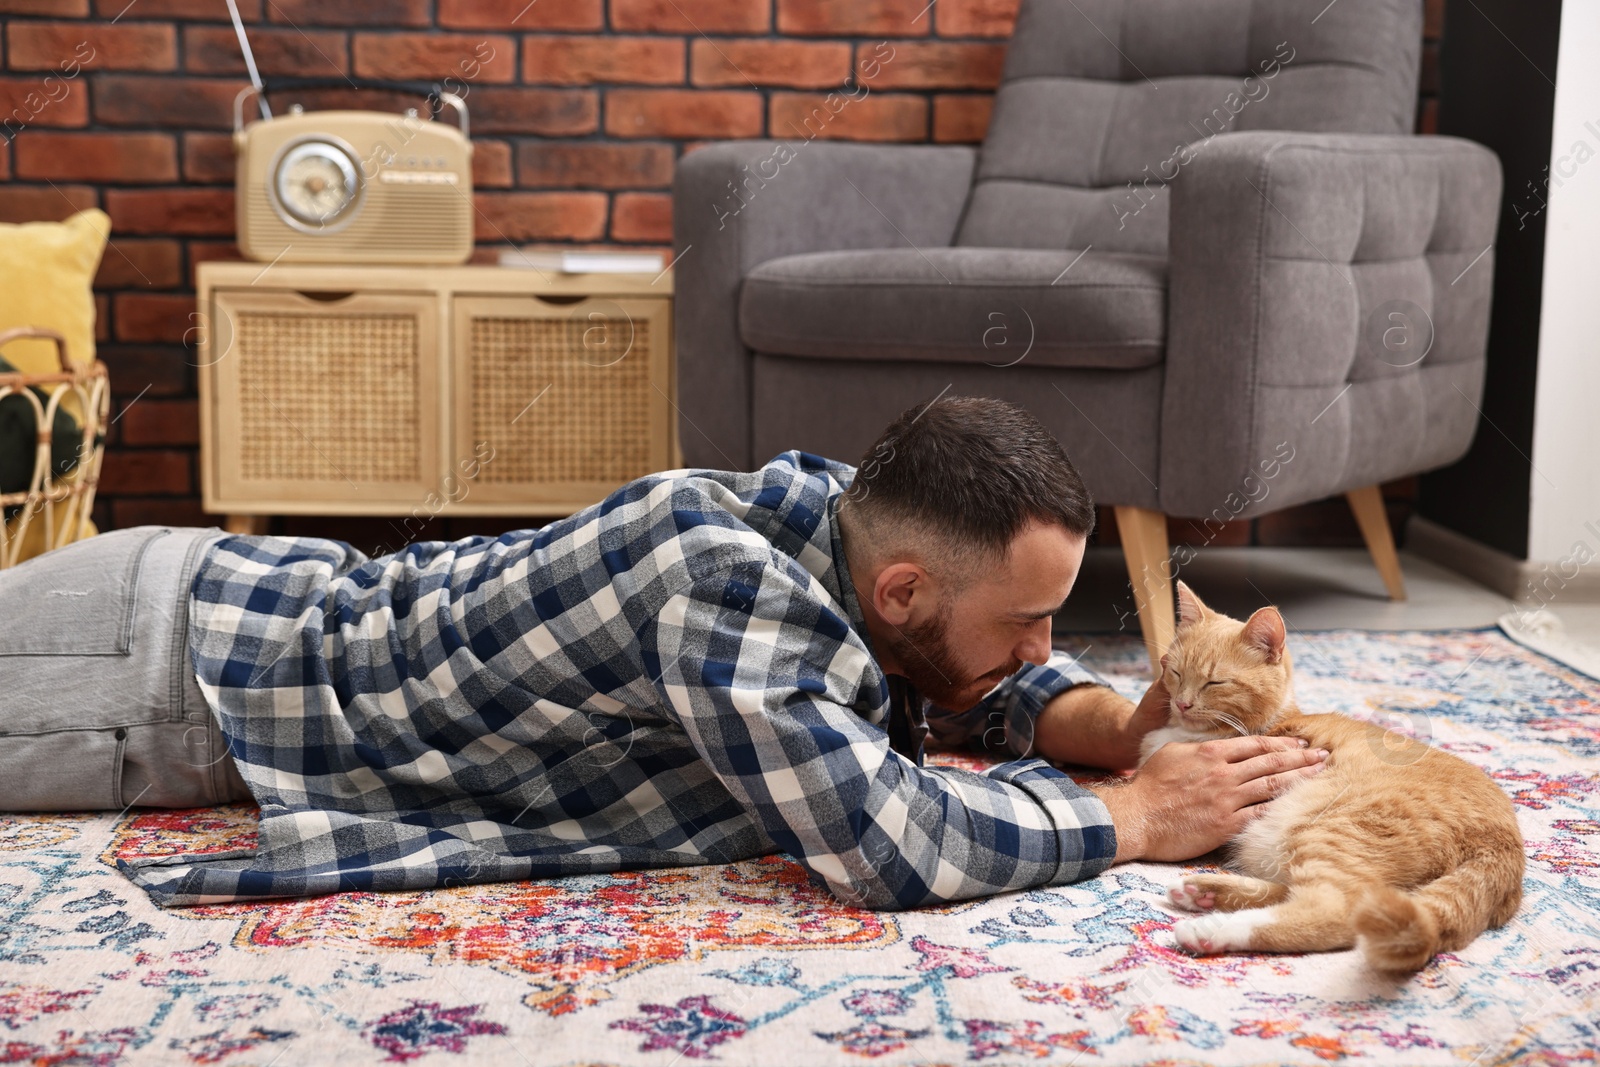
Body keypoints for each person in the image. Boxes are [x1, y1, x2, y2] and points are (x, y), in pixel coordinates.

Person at [0, 395, 1325, 909]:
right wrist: (1133, 817)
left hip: (243, 601)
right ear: (908, 585)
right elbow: (886, 843)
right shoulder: (726, 592)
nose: (1047, 645)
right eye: (1027, 625)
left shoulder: (841, 521)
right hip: (164, 674)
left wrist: (1095, 720)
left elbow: (936, 671)